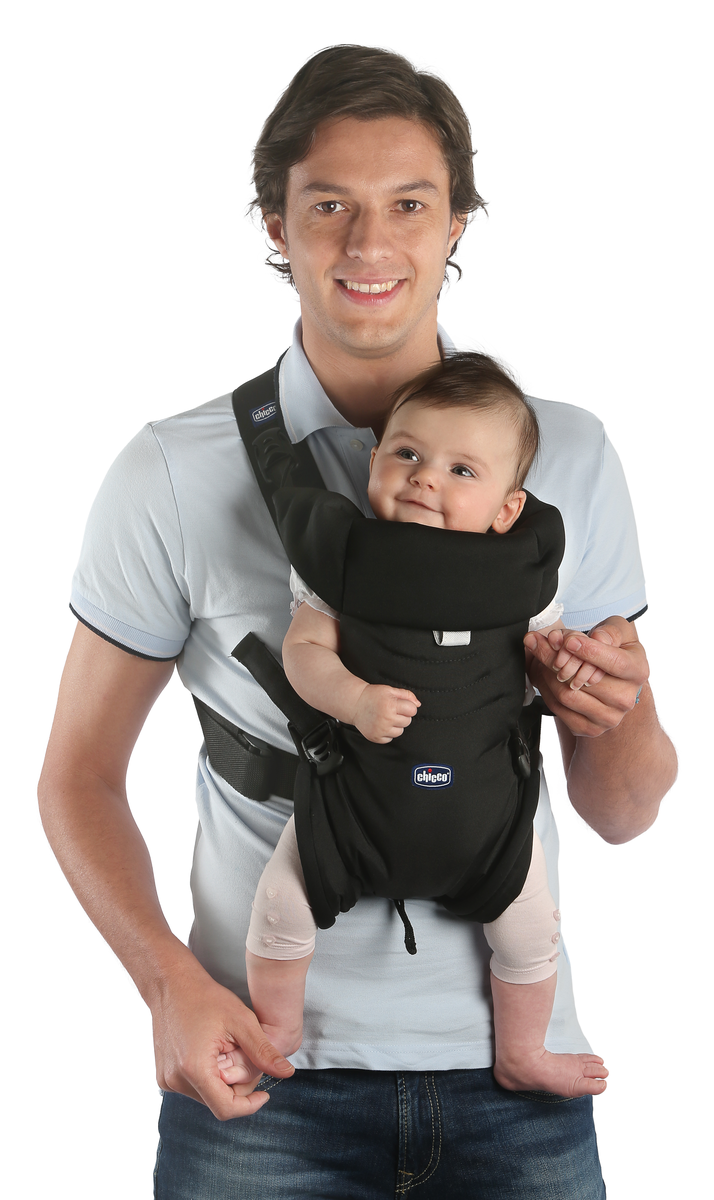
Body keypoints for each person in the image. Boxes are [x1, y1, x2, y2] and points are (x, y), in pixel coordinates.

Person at [38, 44, 676, 1199]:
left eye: (409, 205)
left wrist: (612, 713)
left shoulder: (568, 458)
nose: (369, 244)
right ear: (276, 224)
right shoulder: (171, 474)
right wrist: (167, 985)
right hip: (262, 1079)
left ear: (458, 223)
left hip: (517, 1083)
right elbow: (76, 776)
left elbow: (626, 811)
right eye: (329, 204)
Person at [230, 351, 609, 1101]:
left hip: (488, 819)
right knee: (281, 902)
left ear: (508, 510)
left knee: (532, 929)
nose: (425, 478)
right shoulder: (344, 559)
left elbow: (543, 657)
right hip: (350, 805)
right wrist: (352, 700)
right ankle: (277, 1028)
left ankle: (523, 1051)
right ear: (373, 461)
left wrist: (567, 668)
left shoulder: (522, 576)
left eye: (461, 470)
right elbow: (304, 654)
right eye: (406, 453)